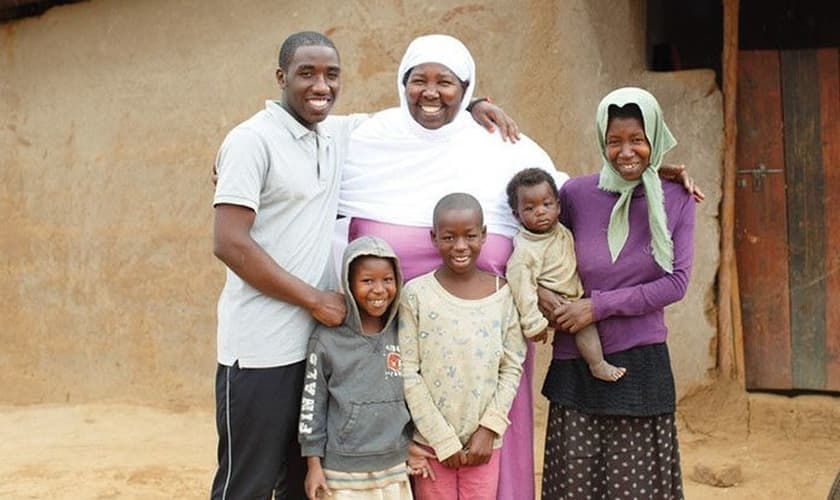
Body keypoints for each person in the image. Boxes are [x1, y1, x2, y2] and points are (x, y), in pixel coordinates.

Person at [336, 34, 701, 500]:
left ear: (466, 87)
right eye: (419, 80)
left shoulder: (502, 148)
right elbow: (307, 152)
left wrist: (659, 173)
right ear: (400, 82)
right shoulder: (365, 143)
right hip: (394, 351)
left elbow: (563, 203)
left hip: (495, 363)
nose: (431, 92)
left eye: (447, 82)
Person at [210, 30, 514, 499]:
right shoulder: (252, 141)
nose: (321, 86)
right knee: (247, 482)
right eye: (306, 73)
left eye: (331, 75)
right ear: (280, 77)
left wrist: (472, 103)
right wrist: (315, 299)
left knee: (301, 482)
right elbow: (229, 243)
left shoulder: (331, 132)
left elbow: (419, 116)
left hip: (313, 344)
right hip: (260, 349)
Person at [539, 87, 695, 499]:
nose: (626, 152)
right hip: (576, 359)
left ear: (655, 139)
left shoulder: (677, 198)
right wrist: (542, 295)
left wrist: (598, 307)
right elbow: (538, 239)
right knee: (573, 487)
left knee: (636, 490)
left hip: (641, 362)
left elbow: (676, 282)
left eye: (638, 140)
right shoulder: (575, 194)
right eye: (614, 141)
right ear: (601, 141)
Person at [399, 193, 526, 500]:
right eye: (448, 237)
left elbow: (512, 366)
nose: (459, 246)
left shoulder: (503, 294)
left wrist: (489, 429)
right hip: (431, 446)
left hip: (483, 446)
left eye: (470, 236)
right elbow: (407, 371)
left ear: (484, 235)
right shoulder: (415, 294)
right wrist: (441, 439)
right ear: (433, 237)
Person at [299, 236, 415, 500]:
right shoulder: (327, 340)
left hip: (394, 468)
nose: (379, 290)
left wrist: (412, 445)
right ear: (349, 284)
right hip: (343, 472)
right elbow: (312, 405)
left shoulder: (403, 333)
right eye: (367, 281)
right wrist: (313, 465)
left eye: (387, 279)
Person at [505, 168, 626, 382]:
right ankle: (597, 364)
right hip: (554, 304)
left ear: (558, 206)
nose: (540, 212)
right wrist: (534, 323)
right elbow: (521, 287)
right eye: (530, 208)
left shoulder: (561, 230)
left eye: (547, 204)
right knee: (584, 325)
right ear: (517, 215)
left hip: (572, 296)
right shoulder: (525, 249)